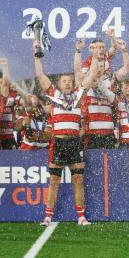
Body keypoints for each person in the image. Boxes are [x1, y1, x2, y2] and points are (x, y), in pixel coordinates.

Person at [34, 40, 90, 226]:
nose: (68, 83)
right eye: (64, 81)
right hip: (58, 143)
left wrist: (79, 51)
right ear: (58, 84)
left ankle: (81, 216)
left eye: (70, 81)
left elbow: (86, 78)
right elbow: (40, 74)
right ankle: (48, 216)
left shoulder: (79, 95)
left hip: (74, 143)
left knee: (78, 179)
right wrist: (36, 53)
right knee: (54, 181)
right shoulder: (53, 94)